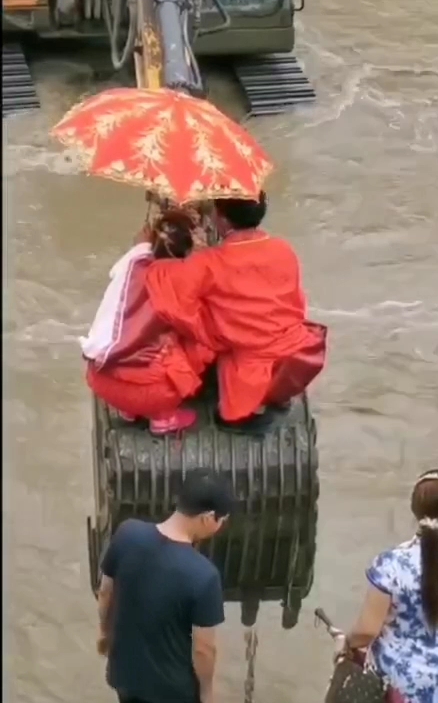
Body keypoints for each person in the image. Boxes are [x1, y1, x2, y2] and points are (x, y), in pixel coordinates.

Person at [145, 192, 327, 429]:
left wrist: (147, 251)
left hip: (248, 370)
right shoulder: (284, 249)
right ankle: (277, 394)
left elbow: (169, 299)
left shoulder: (210, 262)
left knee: (188, 332)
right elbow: (295, 304)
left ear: (221, 219)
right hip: (294, 354)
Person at [341, 469, 438, 703]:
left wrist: (346, 644)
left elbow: (367, 631)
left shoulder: (392, 564)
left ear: (414, 510)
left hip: (396, 679)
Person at [96, 468, 234, 703]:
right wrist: (207, 694)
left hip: (125, 677)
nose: (220, 527)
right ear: (208, 518)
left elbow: (105, 592)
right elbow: (203, 649)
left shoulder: (127, 533)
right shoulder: (204, 576)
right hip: (171, 693)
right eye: (222, 521)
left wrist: (106, 636)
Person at [82, 210, 216, 434]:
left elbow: (141, 248)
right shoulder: (177, 282)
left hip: (100, 380)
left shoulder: (131, 264)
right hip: (151, 393)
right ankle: (163, 417)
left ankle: (129, 409)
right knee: (202, 347)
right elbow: (199, 327)